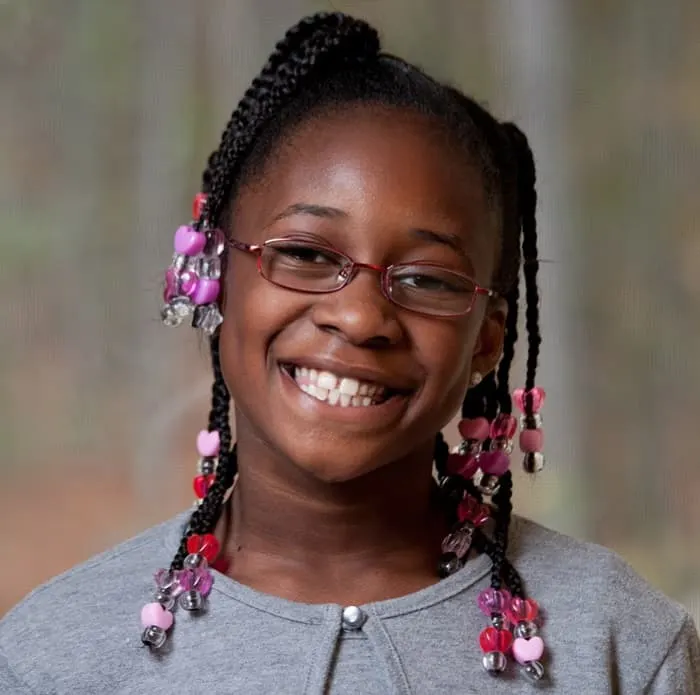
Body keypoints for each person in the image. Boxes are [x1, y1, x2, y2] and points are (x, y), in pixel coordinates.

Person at [1, 11, 698, 694]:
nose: (362, 316)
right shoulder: (51, 658)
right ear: (211, 271)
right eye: (304, 253)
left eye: (428, 278)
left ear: (487, 336)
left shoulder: (621, 644)